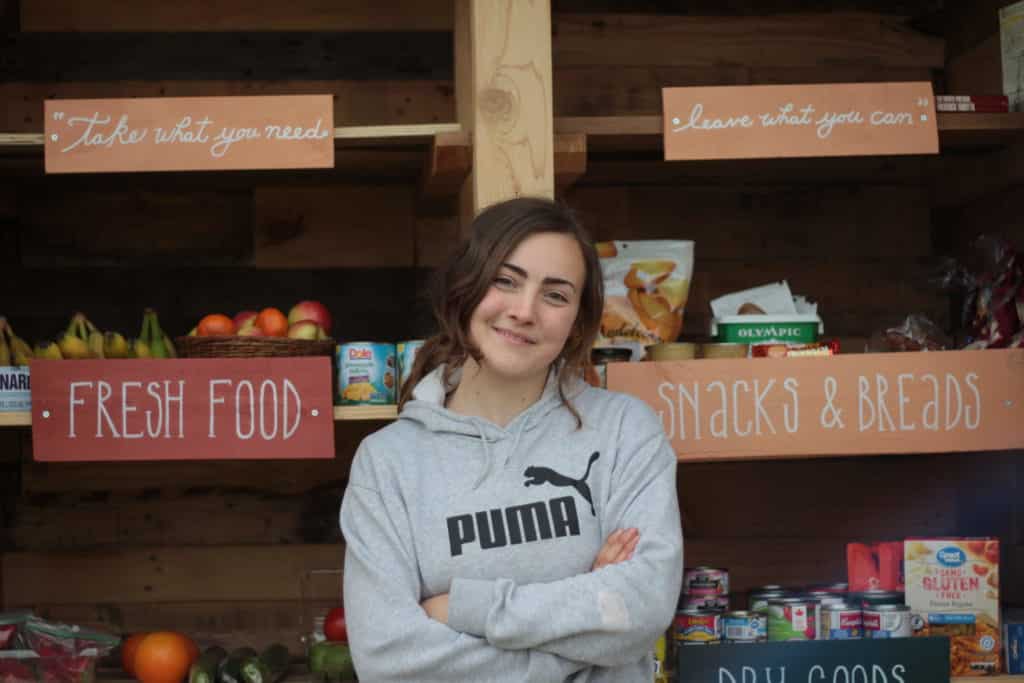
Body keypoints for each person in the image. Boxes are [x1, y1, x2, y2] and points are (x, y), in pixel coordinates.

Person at [339, 196, 683, 682]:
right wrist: (582, 636)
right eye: (506, 281)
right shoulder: (388, 462)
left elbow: (642, 607)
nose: (524, 311)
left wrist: (462, 607)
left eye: (556, 295)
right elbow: (388, 659)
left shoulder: (626, 431)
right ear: (467, 287)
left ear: (578, 322)